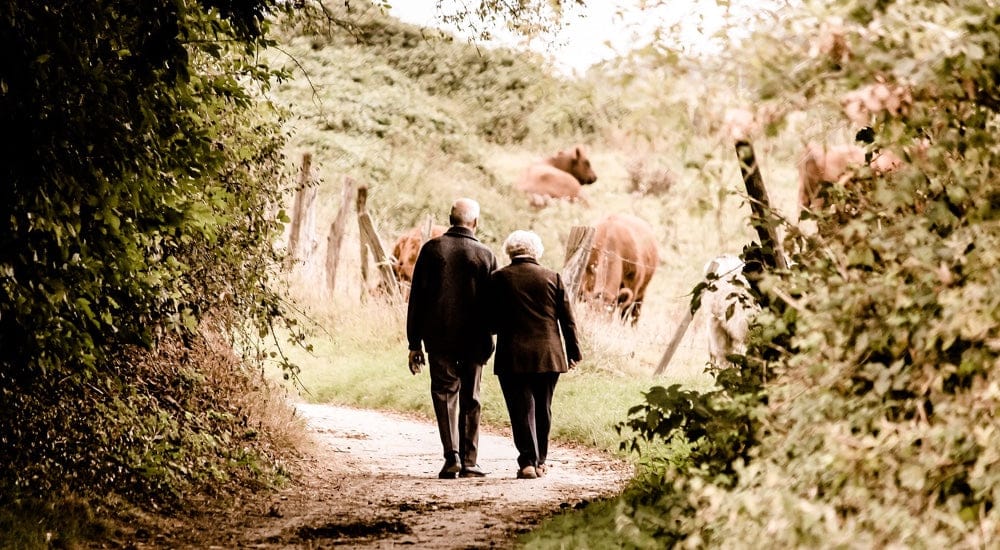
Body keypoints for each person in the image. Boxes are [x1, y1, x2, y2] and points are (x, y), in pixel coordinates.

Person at [406, 198, 498, 479]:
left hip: (439, 337)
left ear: (449, 218)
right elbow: (495, 303)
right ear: (476, 223)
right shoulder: (485, 254)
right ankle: (471, 461)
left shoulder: (432, 250)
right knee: (471, 397)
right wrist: (492, 335)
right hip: (475, 339)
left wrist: (414, 343)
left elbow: (417, 300)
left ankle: (452, 457)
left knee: (445, 394)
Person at [488, 230, 581, 480]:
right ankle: (540, 461)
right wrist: (573, 352)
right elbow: (568, 321)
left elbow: (491, 322)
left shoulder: (498, 278)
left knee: (520, 410)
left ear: (510, 251)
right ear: (536, 251)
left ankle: (527, 462)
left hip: (512, 355)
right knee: (543, 407)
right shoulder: (553, 278)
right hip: (549, 354)